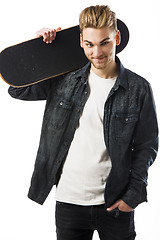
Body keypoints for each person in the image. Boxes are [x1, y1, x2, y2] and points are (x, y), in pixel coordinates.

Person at [8, 5, 158, 240]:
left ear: (116, 37)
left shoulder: (138, 88)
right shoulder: (63, 79)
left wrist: (133, 195)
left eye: (104, 43)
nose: (97, 52)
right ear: (80, 41)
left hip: (115, 203)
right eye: (89, 44)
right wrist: (39, 52)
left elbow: (147, 144)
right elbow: (17, 91)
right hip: (69, 203)